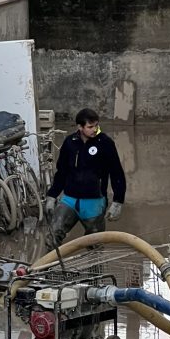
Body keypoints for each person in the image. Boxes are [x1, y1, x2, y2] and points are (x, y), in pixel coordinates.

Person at [44, 108, 126, 251]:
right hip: (69, 200)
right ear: (80, 127)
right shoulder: (70, 143)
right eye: (90, 127)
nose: (95, 129)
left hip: (94, 202)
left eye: (96, 125)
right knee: (53, 235)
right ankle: (47, 271)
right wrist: (52, 196)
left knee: (95, 246)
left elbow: (117, 173)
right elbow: (61, 172)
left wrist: (118, 202)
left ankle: (96, 274)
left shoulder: (105, 143)